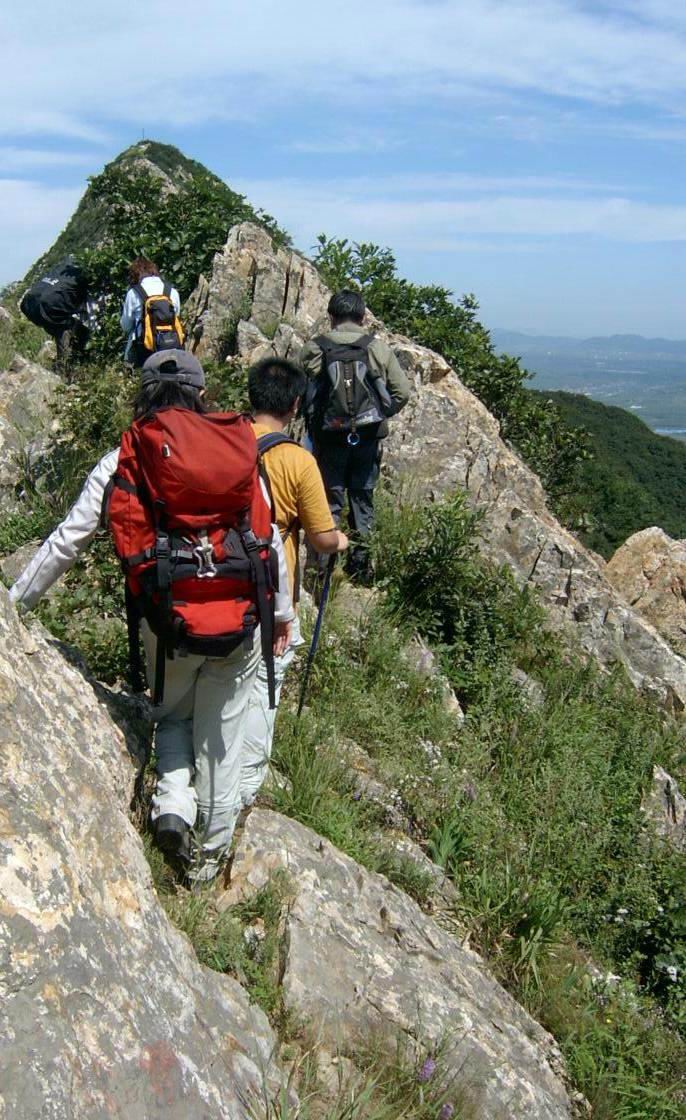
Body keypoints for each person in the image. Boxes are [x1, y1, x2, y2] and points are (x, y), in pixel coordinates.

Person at [9, 350, 294, 882]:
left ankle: (172, 808)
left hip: (167, 624)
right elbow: (268, 537)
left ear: (143, 393)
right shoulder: (236, 447)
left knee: (172, 717)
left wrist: (12, 606)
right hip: (239, 623)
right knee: (222, 742)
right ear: (201, 394)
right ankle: (207, 863)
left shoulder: (127, 454)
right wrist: (281, 613)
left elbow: (68, 540)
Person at [239, 357, 349, 807]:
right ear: (296, 405)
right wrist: (341, 540)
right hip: (271, 590)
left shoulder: (223, 440)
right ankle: (244, 791)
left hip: (216, 576)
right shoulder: (299, 461)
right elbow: (322, 538)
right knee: (264, 685)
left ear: (252, 395)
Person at [300, 289, 410, 583]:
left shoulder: (315, 348)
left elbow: (304, 391)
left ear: (331, 317)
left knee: (329, 502)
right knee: (362, 500)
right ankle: (361, 571)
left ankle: (321, 572)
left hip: (329, 440)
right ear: (362, 317)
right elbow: (402, 392)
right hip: (367, 439)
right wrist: (379, 414)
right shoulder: (377, 348)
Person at [120, 257, 181, 366]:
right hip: (171, 345)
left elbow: (126, 325)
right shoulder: (172, 291)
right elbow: (176, 316)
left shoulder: (133, 293)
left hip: (144, 347)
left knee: (131, 367)